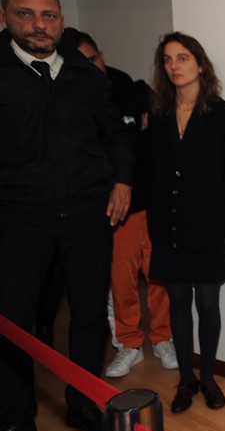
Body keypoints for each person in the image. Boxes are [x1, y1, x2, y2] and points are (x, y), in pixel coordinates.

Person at [0, 0, 134, 431]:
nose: (39, 24)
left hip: (86, 213)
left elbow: (116, 136)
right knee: (12, 322)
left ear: (61, 21)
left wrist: (123, 180)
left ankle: (83, 403)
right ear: (4, 17)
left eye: (49, 15)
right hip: (21, 217)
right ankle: (16, 420)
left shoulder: (86, 76)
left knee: (88, 315)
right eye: (26, 14)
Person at [59, 27, 176, 377]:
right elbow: (92, 154)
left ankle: (164, 337)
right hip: (113, 210)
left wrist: (125, 143)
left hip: (152, 204)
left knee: (160, 277)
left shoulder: (136, 91)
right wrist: (132, 138)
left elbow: (158, 142)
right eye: (81, 62)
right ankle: (128, 344)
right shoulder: (70, 99)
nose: (90, 67)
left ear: (102, 56)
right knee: (120, 282)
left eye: (93, 58)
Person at [147, 32, 225, 414]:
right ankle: (185, 380)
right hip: (168, 226)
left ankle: (209, 378)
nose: (174, 66)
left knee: (207, 302)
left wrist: (218, 222)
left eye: (182, 58)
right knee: (179, 303)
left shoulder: (221, 113)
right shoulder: (159, 115)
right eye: (168, 59)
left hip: (209, 227)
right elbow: (152, 172)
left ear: (200, 65)